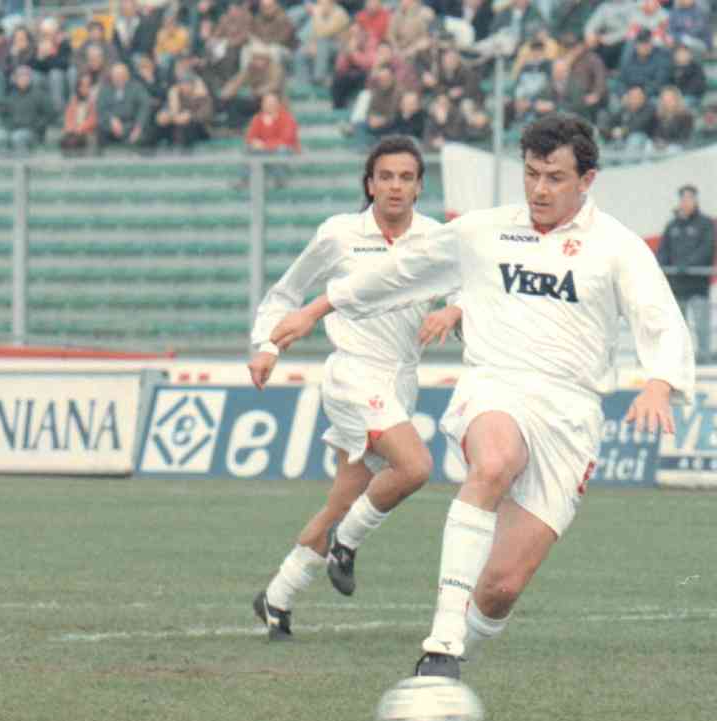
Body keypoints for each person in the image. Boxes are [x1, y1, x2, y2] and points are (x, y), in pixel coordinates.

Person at [268, 114, 694, 678]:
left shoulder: (617, 246)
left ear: (586, 180)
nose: (539, 189)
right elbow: (397, 272)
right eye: (532, 174)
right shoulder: (484, 231)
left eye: (555, 178)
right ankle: (441, 643)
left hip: (569, 414)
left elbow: (659, 318)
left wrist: (660, 382)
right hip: (496, 383)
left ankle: (456, 650)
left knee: (500, 589)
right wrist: (316, 309)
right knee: (492, 462)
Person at [249, 135, 457, 640]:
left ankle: (276, 598)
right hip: (353, 375)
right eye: (385, 177)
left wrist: (454, 310)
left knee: (343, 501)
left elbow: (471, 292)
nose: (395, 186)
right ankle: (346, 545)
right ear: (369, 184)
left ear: (419, 187)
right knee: (415, 466)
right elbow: (287, 292)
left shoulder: (437, 239)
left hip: (400, 380)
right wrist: (267, 345)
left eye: (405, 178)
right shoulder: (339, 234)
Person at [656, 185, 714, 364]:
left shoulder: (705, 224)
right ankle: (681, 360)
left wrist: (687, 264)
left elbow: (707, 249)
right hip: (677, 286)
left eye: (690, 198)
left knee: (702, 327)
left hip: (698, 286)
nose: (686, 202)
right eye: (683, 199)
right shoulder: (672, 225)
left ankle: (704, 358)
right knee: (677, 327)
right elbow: (663, 250)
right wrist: (663, 265)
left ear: (696, 201)